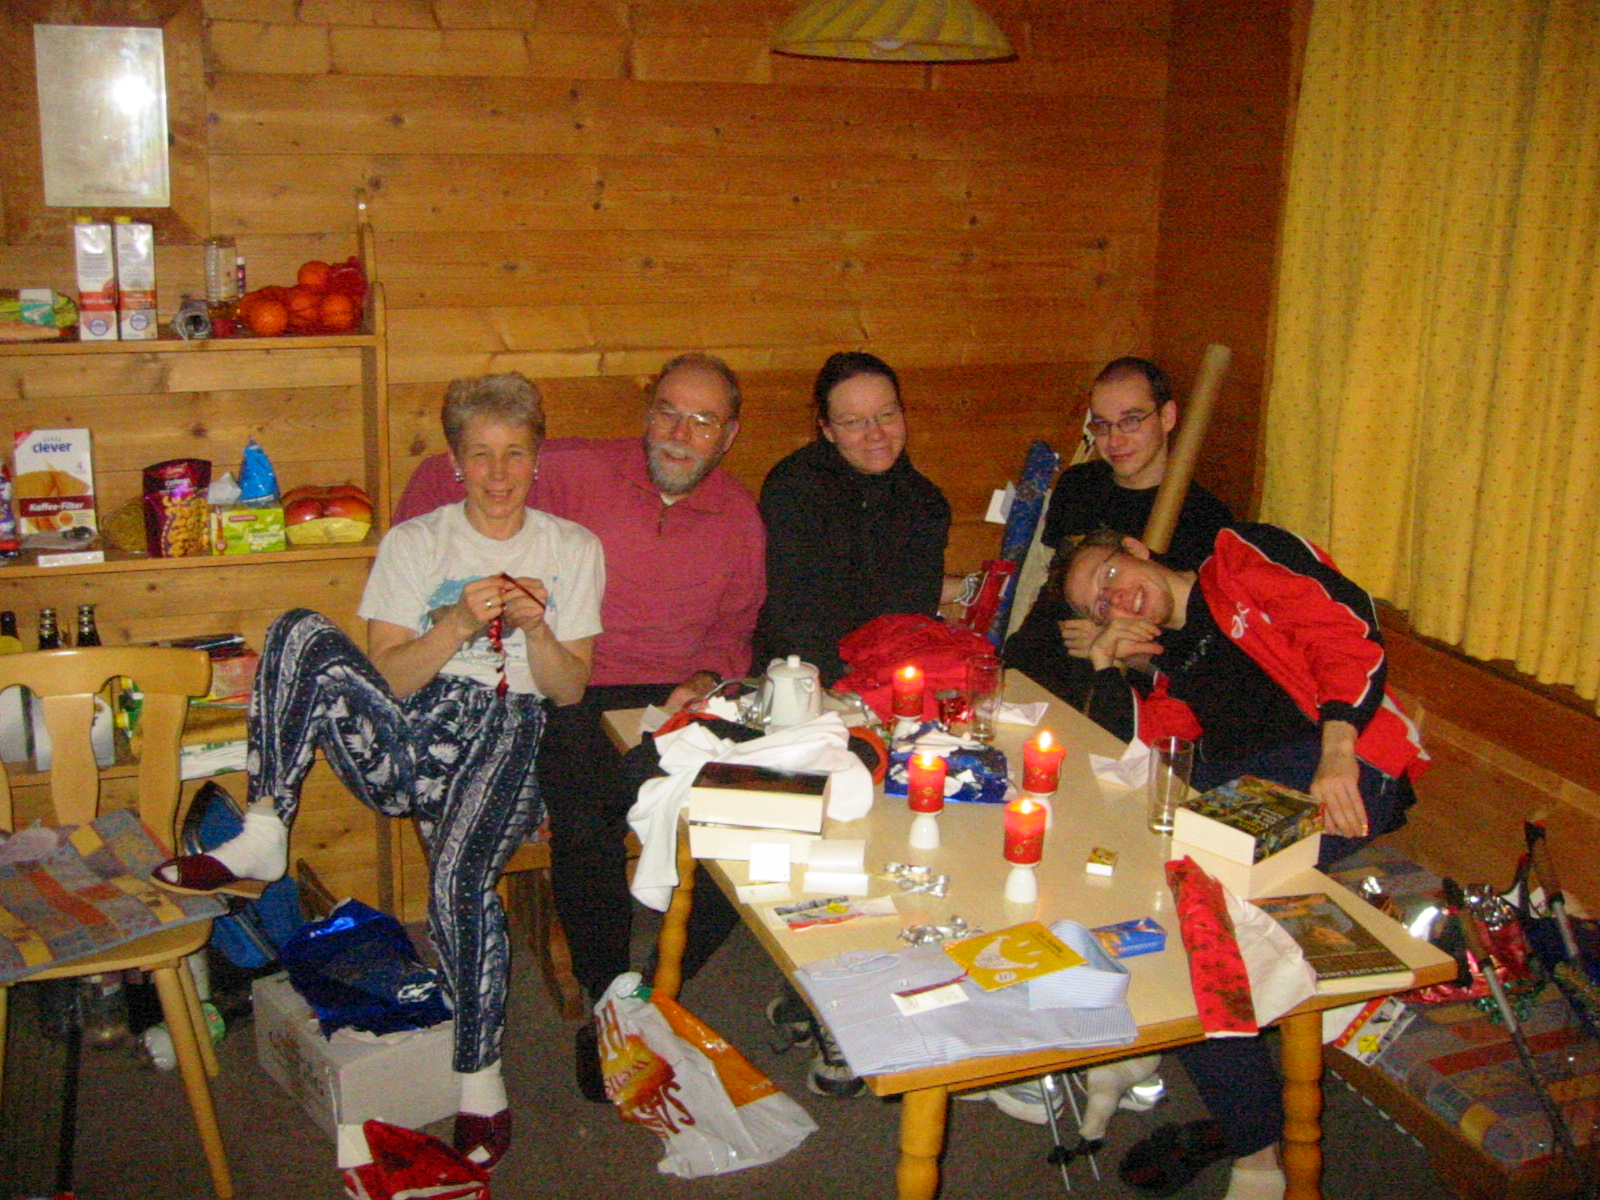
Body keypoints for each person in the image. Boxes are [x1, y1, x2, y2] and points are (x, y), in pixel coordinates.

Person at [156, 373, 604, 1169]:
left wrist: (537, 630)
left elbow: (568, 690)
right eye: (480, 456)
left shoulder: (573, 548)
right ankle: (265, 828)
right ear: (455, 463)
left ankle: (480, 1081)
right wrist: (458, 621)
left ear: (536, 459)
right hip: (409, 733)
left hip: (504, 731)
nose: (498, 474)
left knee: (459, 884)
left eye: (514, 454)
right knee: (297, 630)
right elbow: (388, 678)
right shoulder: (415, 543)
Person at [395, 353, 765, 1099]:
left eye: (702, 422)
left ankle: (653, 988)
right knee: (588, 810)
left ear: (727, 436)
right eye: (667, 413)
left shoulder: (739, 518)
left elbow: (736, 628)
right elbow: (445, 475)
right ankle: (605, 1000)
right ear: (646, 416)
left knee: (762, 808)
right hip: (576, 686)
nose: (680, 434)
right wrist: (430, 568)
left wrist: (705, 678)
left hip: (677, 700)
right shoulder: (577, 469)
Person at [1058, 523, 1426, 1200]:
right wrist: (1117, 670)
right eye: (1098, 607)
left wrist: (1337, 750)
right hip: (1238, 789)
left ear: (1136, 549)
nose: (1114, 602)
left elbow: (1346, 631)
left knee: (1188, 921)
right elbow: (1145, 764)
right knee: (1114, 872)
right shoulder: (1170, 661)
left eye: (1109, 577)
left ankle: (1259, 1151)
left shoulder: (1238, 559)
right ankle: (1160, 1046)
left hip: (1335, 765)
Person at [1004, 356, 1233, 708]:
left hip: (1120, 694)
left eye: (1130, 421)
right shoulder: (1077, 486)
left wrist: (1114, 643)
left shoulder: (1205, 516)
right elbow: (1045, 586)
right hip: (1032, 667)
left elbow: (1199, 645)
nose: (1114, 439)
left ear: (1167, 417)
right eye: (1102, 425)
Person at [754, 350, 954, 685]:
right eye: (853, 422)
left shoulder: (925, 502)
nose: (875, 434)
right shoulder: (794, 488)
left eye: (886, 415)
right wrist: (842, 686)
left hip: (886, 675)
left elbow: (911, 616)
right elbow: (792, 616)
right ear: (827, 429)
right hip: (800, 675)